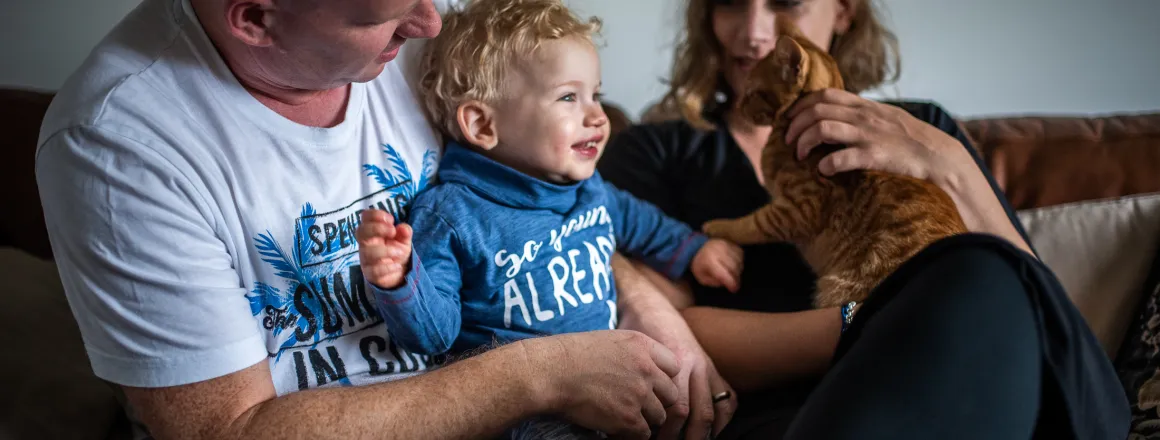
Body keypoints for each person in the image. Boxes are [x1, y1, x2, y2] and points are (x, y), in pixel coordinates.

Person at [33, 0, 736, 439]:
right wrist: (542, 376)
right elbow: (229, 430)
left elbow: (535, 198)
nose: (431, 21)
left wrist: (645, 306)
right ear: (256, 18)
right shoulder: (119, 145)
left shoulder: (424, 35)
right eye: (379, 17)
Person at [597, 0, 1131, 438]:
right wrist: (878, 320)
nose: (754, 32)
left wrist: (949, 165)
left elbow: (1036, 311)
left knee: (985, 274)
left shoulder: (920, 128)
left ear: (845, 10)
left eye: (786, 4)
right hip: (793, 415)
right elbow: (669, 337)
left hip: (960, 384)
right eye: (730, 3)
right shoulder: (657, 152)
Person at [355, 1, 744, 436]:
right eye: (568, 97)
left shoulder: (588, 188)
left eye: (596, 95)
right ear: (482, 125)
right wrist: (401, 280)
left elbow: (643, 224)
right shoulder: (452, 216)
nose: (597, 116)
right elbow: (433, 336)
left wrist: (694, 250)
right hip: (527, 417)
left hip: (616, 390)